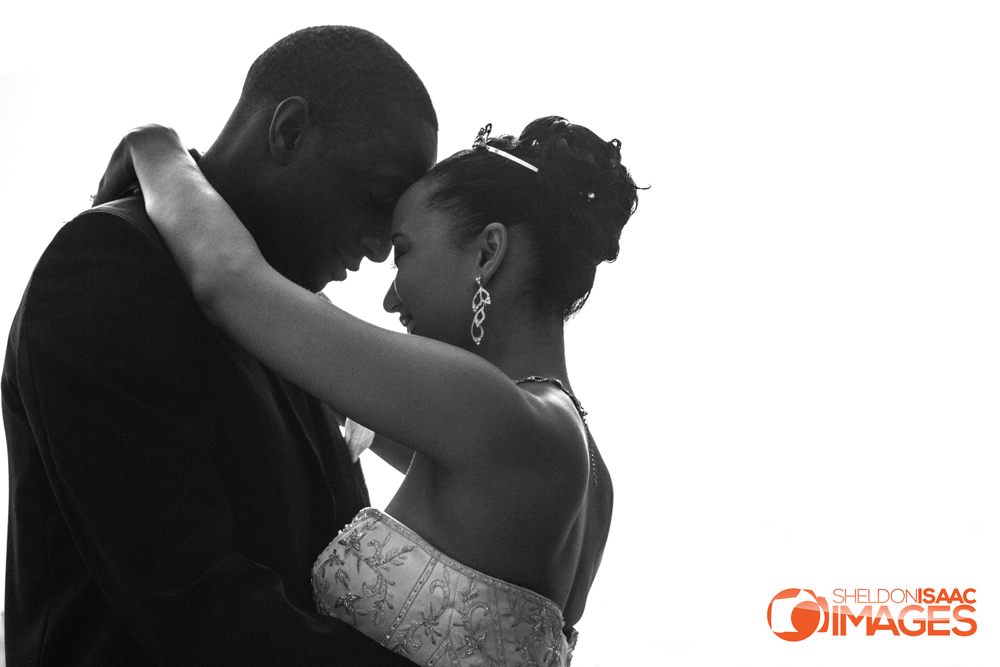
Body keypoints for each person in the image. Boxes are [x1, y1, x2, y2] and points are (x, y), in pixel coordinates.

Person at [94, 116, 639, 666]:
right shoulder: (582, 467)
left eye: (403, 252)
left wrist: (155, 146)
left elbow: (230, 282)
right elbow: (364, 406)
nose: (390, 299)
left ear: (486, 253)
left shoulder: (489, 411)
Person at [2, 26, 435, 666]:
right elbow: (194, 605)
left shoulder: (293, 325)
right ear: (288, 132)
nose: (378, 246)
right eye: (376, 199)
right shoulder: (110, 264)